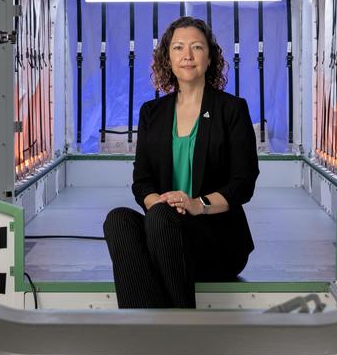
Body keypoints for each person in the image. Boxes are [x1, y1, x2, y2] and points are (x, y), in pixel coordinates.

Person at [103, 16, 259, 308]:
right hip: (164, 229)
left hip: (216, 238)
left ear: (210, 58)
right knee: (118, 221)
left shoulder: (231, 109)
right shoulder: (152, 112)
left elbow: (243, 183)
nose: (187, 55)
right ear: (168, 59)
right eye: (178, 48)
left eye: (197, 47)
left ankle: (181, 323)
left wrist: (197, 204)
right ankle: (143, 326)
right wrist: (160, 202)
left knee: (161, 219)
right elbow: (142, 181)